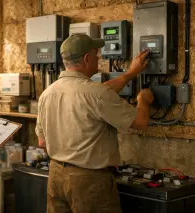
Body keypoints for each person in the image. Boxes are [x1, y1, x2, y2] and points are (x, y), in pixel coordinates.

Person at [35, 33, 154, 213]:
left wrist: (131, 73)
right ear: (86, 58)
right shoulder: (96, 94)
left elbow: (42, 142)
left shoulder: (47, 94)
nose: (98, 58)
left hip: (56, 175)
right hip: (89, 181)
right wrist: (143, 100)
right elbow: (140, 122)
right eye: (96, 54)